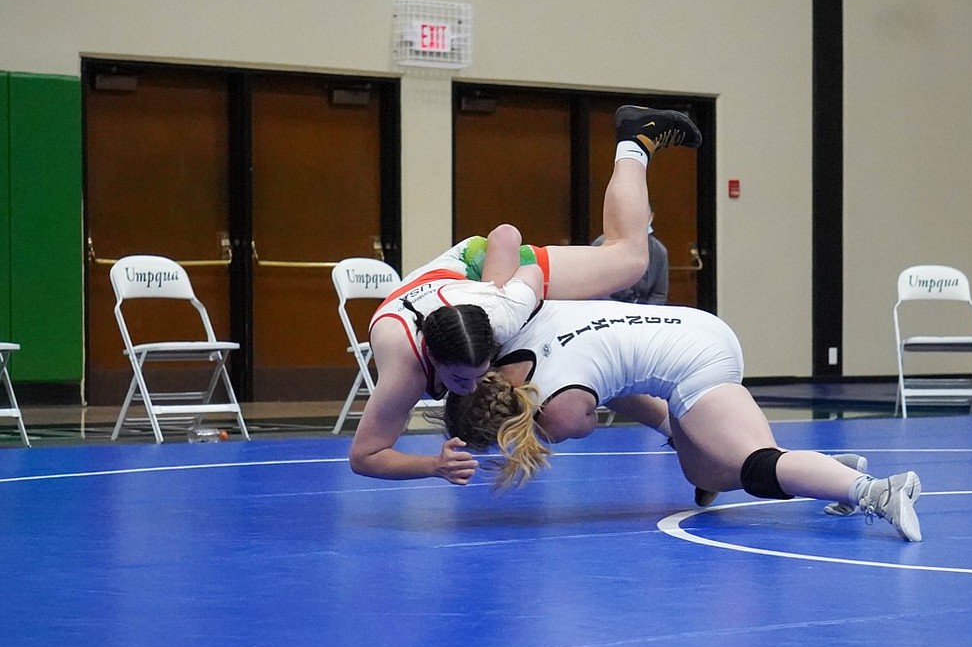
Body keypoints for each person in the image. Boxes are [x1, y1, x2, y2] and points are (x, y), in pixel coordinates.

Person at [349, 106, 702, 482]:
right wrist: (431, 466)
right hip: (435, 302)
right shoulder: (404, 372)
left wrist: (515, 291)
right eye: (460, 381)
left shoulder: (499, 313)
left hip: (479, 267)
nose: (469, 388)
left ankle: (636, 139)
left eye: (474, 376)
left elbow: (504, 237)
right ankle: (678, 434)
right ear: (432, 358)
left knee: (629, 261)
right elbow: (365, 455)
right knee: (576, 373)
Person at [443, 299, 924, 542]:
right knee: (704, 473)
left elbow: (606, 404)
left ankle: (877, 491)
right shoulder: (515, 330)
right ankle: (826, 474)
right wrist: (678, 432)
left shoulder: (562, 412)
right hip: (691, 327)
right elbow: (623, 392)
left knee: (756, 464)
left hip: (696, 362)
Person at [591, 208, 669, 304]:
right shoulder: (600, 246)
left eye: (642, 216)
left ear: (651, 217)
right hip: (608, 311)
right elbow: (594, 289)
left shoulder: (659, 251)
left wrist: (644, 314)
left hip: (644, 313)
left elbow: (658, 294)